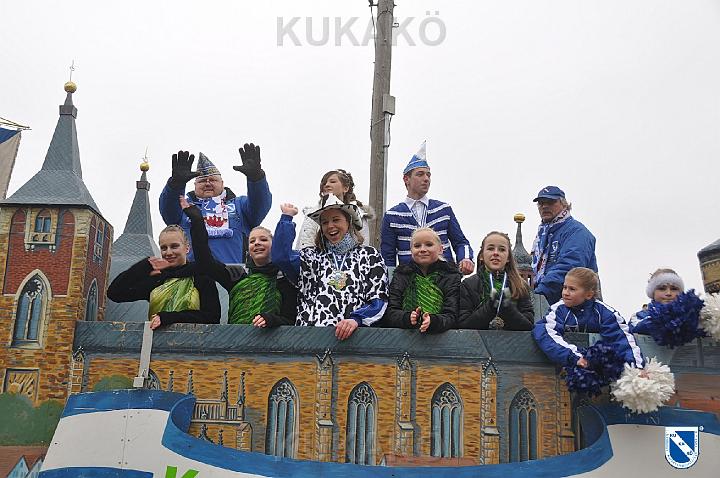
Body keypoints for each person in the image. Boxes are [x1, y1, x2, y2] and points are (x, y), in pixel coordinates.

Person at [272, 194, 388, 340]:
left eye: (336, 220)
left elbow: (379, 299)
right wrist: (286, 219)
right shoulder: (310, 256)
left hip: (354, 342)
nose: (330, 226)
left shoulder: (370, 255)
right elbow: (281, 257)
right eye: (325, 222)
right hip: (310, 341)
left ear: (349, 222)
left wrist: (356, 320)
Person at [180, 196, 296, 327]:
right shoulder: (238, 276)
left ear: (274, 245)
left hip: (274, 340)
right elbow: (205, 261)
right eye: (252, 241)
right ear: (249, 250)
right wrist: (197, 220)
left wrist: (271, 320)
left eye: (263, 240)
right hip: (235, 339)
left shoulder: (285, 279)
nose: (257, 243)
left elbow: (291, 320)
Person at [159, 145, 272, 265]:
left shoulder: (239, 205)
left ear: (222, 184)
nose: (207, 184)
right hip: (192, 273)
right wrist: (175, 184)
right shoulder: (185, 206)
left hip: (233, 272)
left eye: (213, 180)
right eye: (202, 181)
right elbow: (168, 209)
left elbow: (260, 205)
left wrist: (256, 178)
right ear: (195, 185)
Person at [381, 142, 474, 274]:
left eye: (428, 175)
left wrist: (466, 258)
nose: (426, 179)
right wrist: (390, 283)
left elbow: (460, 242)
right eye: (420, 174)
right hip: (410, 280)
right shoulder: (392, 215)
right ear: (406, 179)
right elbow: (387, 256)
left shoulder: (444, 210)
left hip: (446, 278)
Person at [107, 225, 220, 330]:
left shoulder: (202, 276)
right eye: (164, 248)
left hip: (194, 343)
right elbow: (115, 293)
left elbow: (212, 317)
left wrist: (167, 318)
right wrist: (142, 267)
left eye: (174, 246)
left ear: (187, 248)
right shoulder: (157, 278)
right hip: (157, 343)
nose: (168, 252)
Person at [532, 267, 643, 369]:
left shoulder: (605, 312)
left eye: (572, 289)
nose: (565, 293)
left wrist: (636, 367)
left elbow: (622, 339)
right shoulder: (558, 310)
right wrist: (574, 357)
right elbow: (546, 332)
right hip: (566, 368)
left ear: (589, 295)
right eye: (564, 287)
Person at [376, 228, 461, 332]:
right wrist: (407, 318)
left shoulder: (452, 276)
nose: (422, 249)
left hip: (442, 337)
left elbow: (453, 315)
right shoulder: (401, 275)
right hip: (404, 337)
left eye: (429, 245)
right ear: (411, 250)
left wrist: (433, 321)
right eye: (417, 246)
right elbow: (390, 312)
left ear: (440, 249)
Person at [530, 186, 598, 306]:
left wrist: (538, 295)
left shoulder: (577, 232)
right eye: (541, 203)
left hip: (577, 308)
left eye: (550, 202)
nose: (544, 206)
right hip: (546, 303)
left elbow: (569, 268)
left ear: (564, 204)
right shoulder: (542, 234)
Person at [457, 232, 534, 330]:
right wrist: (490, 307)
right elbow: (463, 324)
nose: (496, 253)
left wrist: (508, 310)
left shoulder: (520, 285)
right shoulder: (468, 284)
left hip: (511, 339)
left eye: (502, 250)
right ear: (481, 256)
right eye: (490, 248)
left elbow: (528, 325)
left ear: (508, 258)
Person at [295, 169, 373, 249]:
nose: (327, 185)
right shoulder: (311, 214)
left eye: (332, 182)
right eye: (324, 183)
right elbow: (304, 245)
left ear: (345, 188)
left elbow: (363, 245)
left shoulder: (358, 214)